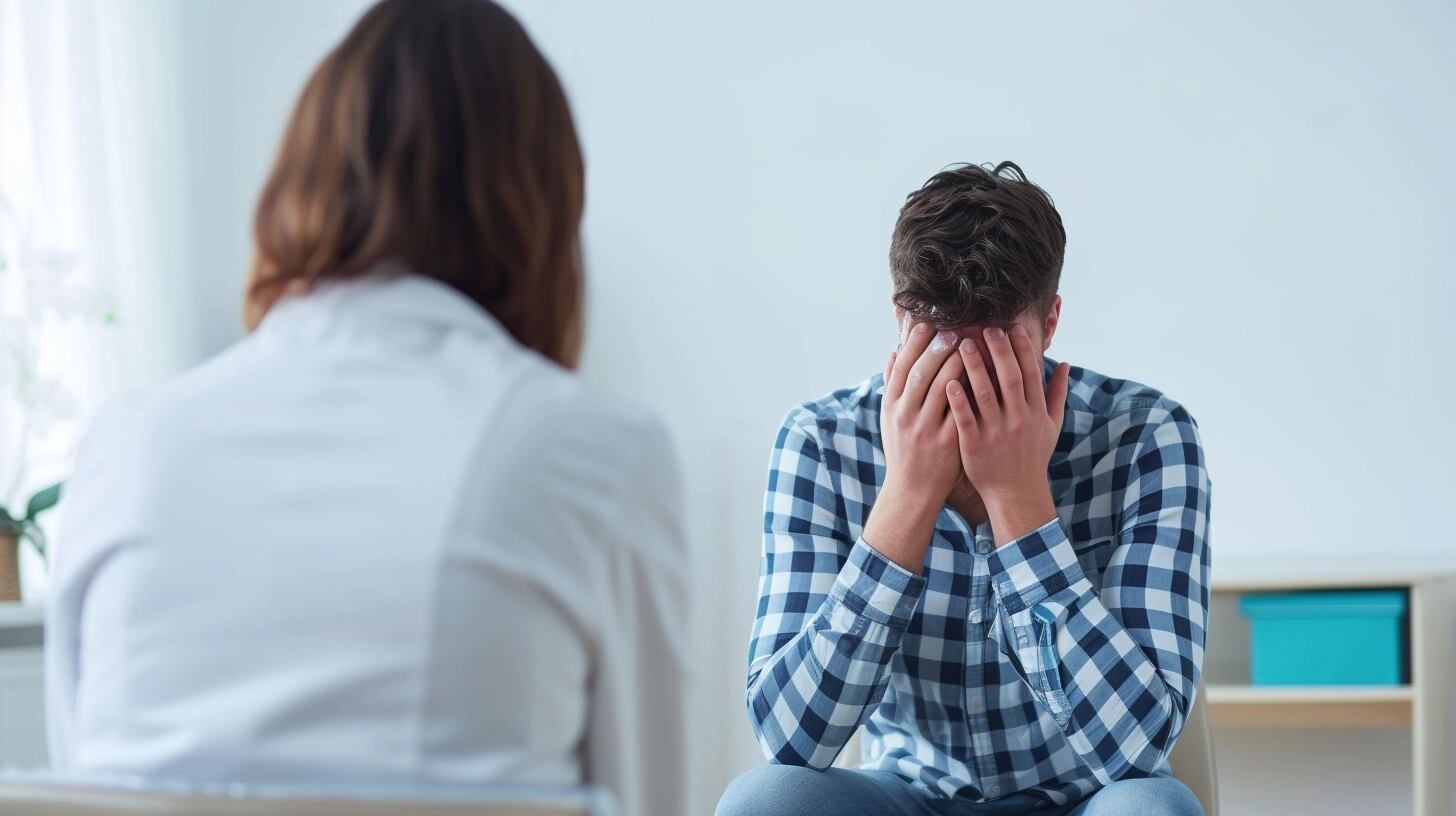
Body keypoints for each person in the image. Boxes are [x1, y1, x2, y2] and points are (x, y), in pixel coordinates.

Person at [43, 2, 688, 815]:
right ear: (545, 205)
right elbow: (644, 799)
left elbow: (83, 781)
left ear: (300, 178)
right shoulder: (600, 452)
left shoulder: (123, 445)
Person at [719, 162, 1211, 816]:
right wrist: (907, 498)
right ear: (902, 321)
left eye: (1001, 357)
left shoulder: (1148, 436)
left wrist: (1019, 503)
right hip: (906, 793)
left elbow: (1139, 748)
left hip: (1084, 796)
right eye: (949, 352)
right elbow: (789, 737)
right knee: (764, 803)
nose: (972, 387)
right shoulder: (822, 442)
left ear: (1050, 322)